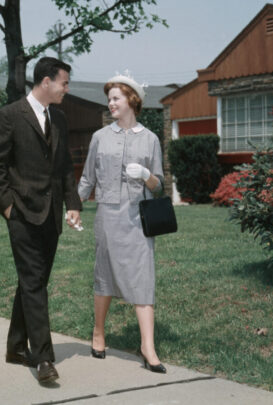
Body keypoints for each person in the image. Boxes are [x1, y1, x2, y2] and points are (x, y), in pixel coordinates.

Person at [0, 57, 82, 385]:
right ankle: (42, 359)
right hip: (22, 214)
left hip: (51, 215)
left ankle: (15, 347)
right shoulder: (9, 116)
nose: (67, 89)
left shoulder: (61, 118)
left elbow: (65, 165)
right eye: (64, 83)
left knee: (32, 281)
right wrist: (8, 208)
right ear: (45, 82)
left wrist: (73, 203)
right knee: (34, 282)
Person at [77, 72, 167, 373]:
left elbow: (159, 186)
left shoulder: (151, 139)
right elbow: (88, 177)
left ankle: (148, 347)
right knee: (104, 275)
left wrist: (145, 175)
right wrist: (74, 206)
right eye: (109, 99)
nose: (110, 103)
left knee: (143, 278)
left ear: (132, 99)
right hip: (107, 217)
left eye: (115, 98)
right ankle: (98, 333)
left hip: (137, 219)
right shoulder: (99, 138)